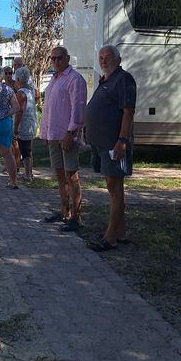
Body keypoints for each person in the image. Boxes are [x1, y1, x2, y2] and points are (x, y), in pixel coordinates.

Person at [85, 44, 136, 252]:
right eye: (101, 57)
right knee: (112, 188)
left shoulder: (124, 79)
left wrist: (122, 140)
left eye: (107, 57)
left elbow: (128, 112)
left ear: (118, 59)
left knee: (115, 188)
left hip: (114, 144)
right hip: (101, 143)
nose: (103, 61)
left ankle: (110, 237)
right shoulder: (105, 79)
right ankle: (120, 232)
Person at [40, 46, 87, 231]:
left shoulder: (75, 79)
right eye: (52, 58)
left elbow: (78, 109)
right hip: (53, 135)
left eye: (59, 58)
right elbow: (48, 109)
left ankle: (77, 217)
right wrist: (45, 132)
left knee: (72, 176)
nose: (56, 61)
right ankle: (64, 211)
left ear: (67, 58)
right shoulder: (54, 79)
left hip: (67, 136)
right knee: (60, 175)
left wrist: (71, 133)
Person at [13, 66, 38, 182]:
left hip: (24, 125)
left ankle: (27, 174)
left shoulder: (21, 93)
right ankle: (29, 172)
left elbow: (19, 111)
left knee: (25, 150)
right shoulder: (30, 90)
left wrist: (15, 126)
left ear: (18, 79)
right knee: (28, 149)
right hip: (32, 122)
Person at [4, 66, 21, 170]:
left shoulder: (16, 84)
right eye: (6, 73)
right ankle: (9, 165)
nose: (8, 75)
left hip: (14, 114)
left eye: (10, 73)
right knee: (7, 143)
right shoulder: (1, 85)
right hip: (6, 115)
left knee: (15, 142)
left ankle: (17, 165)